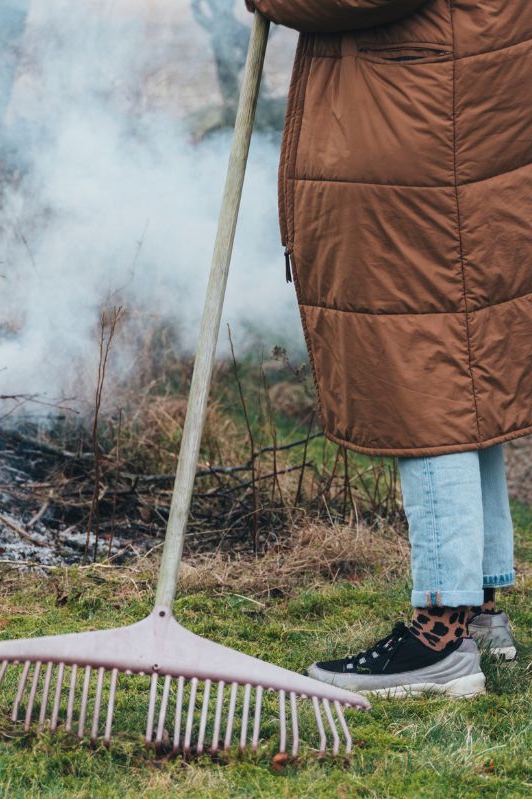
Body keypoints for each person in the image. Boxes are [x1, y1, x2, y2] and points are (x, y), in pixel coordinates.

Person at [245, 0, 531, 697]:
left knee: (423, 378)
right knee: (460, 374)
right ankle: (479, 612)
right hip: (460, 113)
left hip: (418, 131)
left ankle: (439, 632)